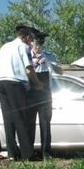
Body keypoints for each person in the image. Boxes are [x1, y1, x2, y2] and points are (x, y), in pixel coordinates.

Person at [0, 25, 44, 161]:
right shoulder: (23, 47)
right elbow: (28, 69)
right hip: (15, 83)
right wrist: (38, 83)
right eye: (31, 39)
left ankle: (12, 153)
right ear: (27, 37)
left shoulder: (4, 47)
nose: (32, 42)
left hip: (1, 83)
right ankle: (27, 154)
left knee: (8, 119)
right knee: (21, 118)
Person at [27, 31, 63, 160]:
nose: (37, 48)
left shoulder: (48, 56)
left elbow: (60, 72)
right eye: (36, 45)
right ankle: (29, 152)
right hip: (31, 91)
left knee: (45, 122)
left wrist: (49, 62)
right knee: (29, 122)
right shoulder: (27, 56)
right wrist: (35, 63)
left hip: (45, 92)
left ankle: (46, 152)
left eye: (40, 45)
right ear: (31, 43)